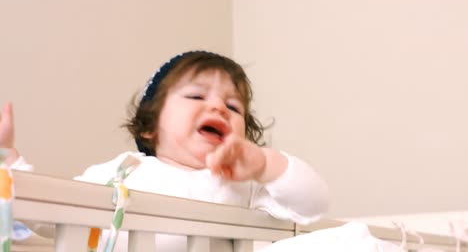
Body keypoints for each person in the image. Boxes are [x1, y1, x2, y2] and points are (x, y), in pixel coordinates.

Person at [0, 51, 330, 251]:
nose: (217, 107)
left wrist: (266, 165)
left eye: (233, 106)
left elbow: (314, 203)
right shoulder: (121, 170)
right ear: (150, 127)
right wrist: (8, 157)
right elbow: (51, 211)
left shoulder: (241, 185)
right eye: (197, 97)